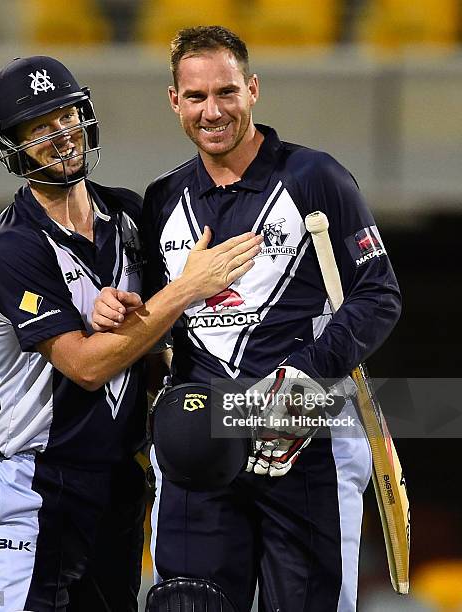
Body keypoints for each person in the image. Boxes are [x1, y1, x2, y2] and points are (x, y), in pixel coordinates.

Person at [115, 26, 401, 612]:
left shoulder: (314, 177)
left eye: (226, 92)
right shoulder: (162, 198)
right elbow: (154, 320)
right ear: (175, 101)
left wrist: (303, 375)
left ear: (252, 90)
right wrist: (116, 309)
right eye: (195, 97)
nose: (212, 111)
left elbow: (378, 294)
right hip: (200, 436)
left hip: (307, 437)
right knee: (186, 604)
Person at [0, 55, 262, 612]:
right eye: (40, 128)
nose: (61, 137)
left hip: (118, 482)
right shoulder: (13, 247)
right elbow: (85, 366)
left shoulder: (128, 214)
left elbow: (155, 334)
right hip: (35, 483)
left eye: (67, 117)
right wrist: (184, 289)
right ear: (13, 146)